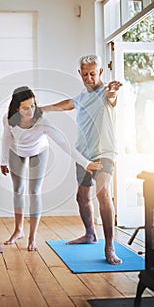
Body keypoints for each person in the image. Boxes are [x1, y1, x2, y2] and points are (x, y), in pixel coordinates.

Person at [41, 54, 123, 264]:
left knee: (103, 194)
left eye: (93, 74)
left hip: (104, 152)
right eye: (85, 74)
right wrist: (41, 109)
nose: (89, 78)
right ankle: (90, 234)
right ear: (80, 74)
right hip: (83, 155)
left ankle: (110, 246)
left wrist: (112, 92)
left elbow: (112, 99)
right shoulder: (81, 97)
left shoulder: (106, 92)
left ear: (101, 72)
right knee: (82, 197)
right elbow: (67, 104)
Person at [0, 86, 101, 251]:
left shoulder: (42, 121)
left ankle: (32, 237)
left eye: (33, 106)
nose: (30, 111)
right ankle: (18, 230)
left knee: (34, 192)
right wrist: (3, 160)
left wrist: (85, 163)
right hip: (16, 151)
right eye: (25, 108)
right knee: (18, 190)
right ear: (16, 108)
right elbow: (6, 138)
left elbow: (64, 143)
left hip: (38, 151)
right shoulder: (8, 118)